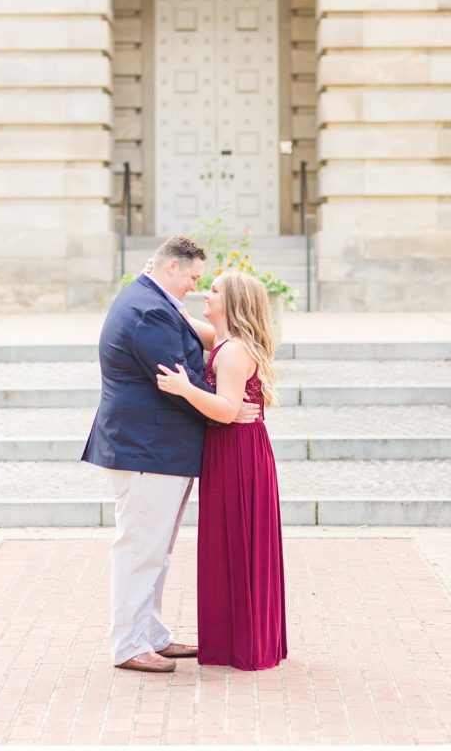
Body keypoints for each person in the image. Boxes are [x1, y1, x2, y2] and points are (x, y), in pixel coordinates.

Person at [81, 236, 261, 674]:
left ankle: (153, 635)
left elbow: (198, 343)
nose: (197, 287)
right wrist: (226, 408)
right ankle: (128, 645)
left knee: (155, 550)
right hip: (147, 450)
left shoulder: (156, 301)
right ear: (171, 268)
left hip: (159, 449)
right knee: (141, 548)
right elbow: (176, 378)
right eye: (194, 277)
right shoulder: (148, 311)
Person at [157, 270, 287, 670]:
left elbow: (229, 410)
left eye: (212, 291)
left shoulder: (232, 352)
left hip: (237, 453)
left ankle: (240, 642)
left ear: (232, 303)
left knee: (237, 540)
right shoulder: (225, 341)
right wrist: (164, 294)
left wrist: (186, 389)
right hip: (234, 449)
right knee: (232, 542)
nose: (204, 295)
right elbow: (188, 322)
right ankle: (239, 637)